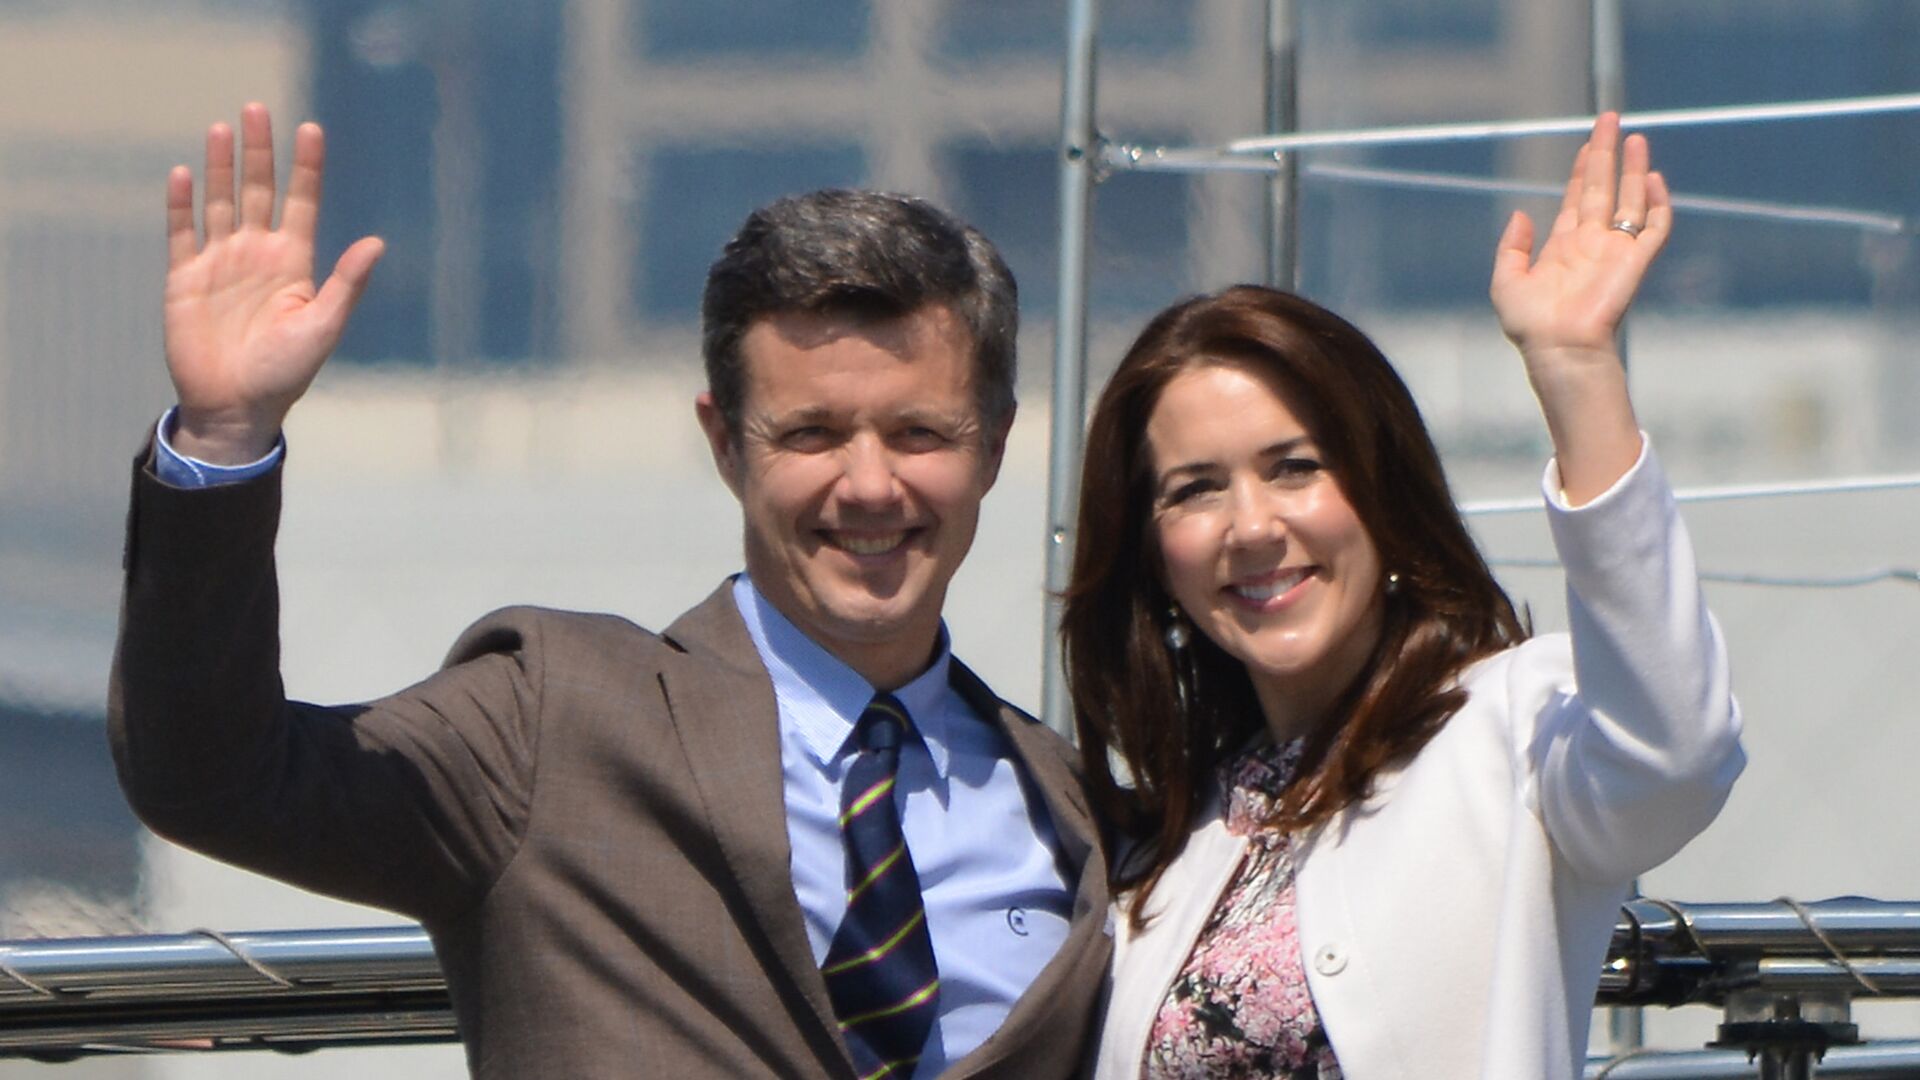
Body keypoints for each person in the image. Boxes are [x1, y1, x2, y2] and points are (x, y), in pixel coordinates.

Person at [109, 103, 1110, 1079]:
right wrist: (225, 441)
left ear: (993, 447)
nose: (869, 485)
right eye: (810, 434)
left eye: (918, 434)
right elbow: (212, 773)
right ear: (726, 446)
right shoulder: (550, 724)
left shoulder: (1074, 810)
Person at [1062, 114, 1744, 1079]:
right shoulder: (1168, 840)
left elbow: (1674, 757)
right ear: (1151, 557)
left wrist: (1576, 370)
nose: (1251, 526)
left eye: (1295, 468)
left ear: (1382, 494)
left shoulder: (1511, 727)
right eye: (1196, 489)